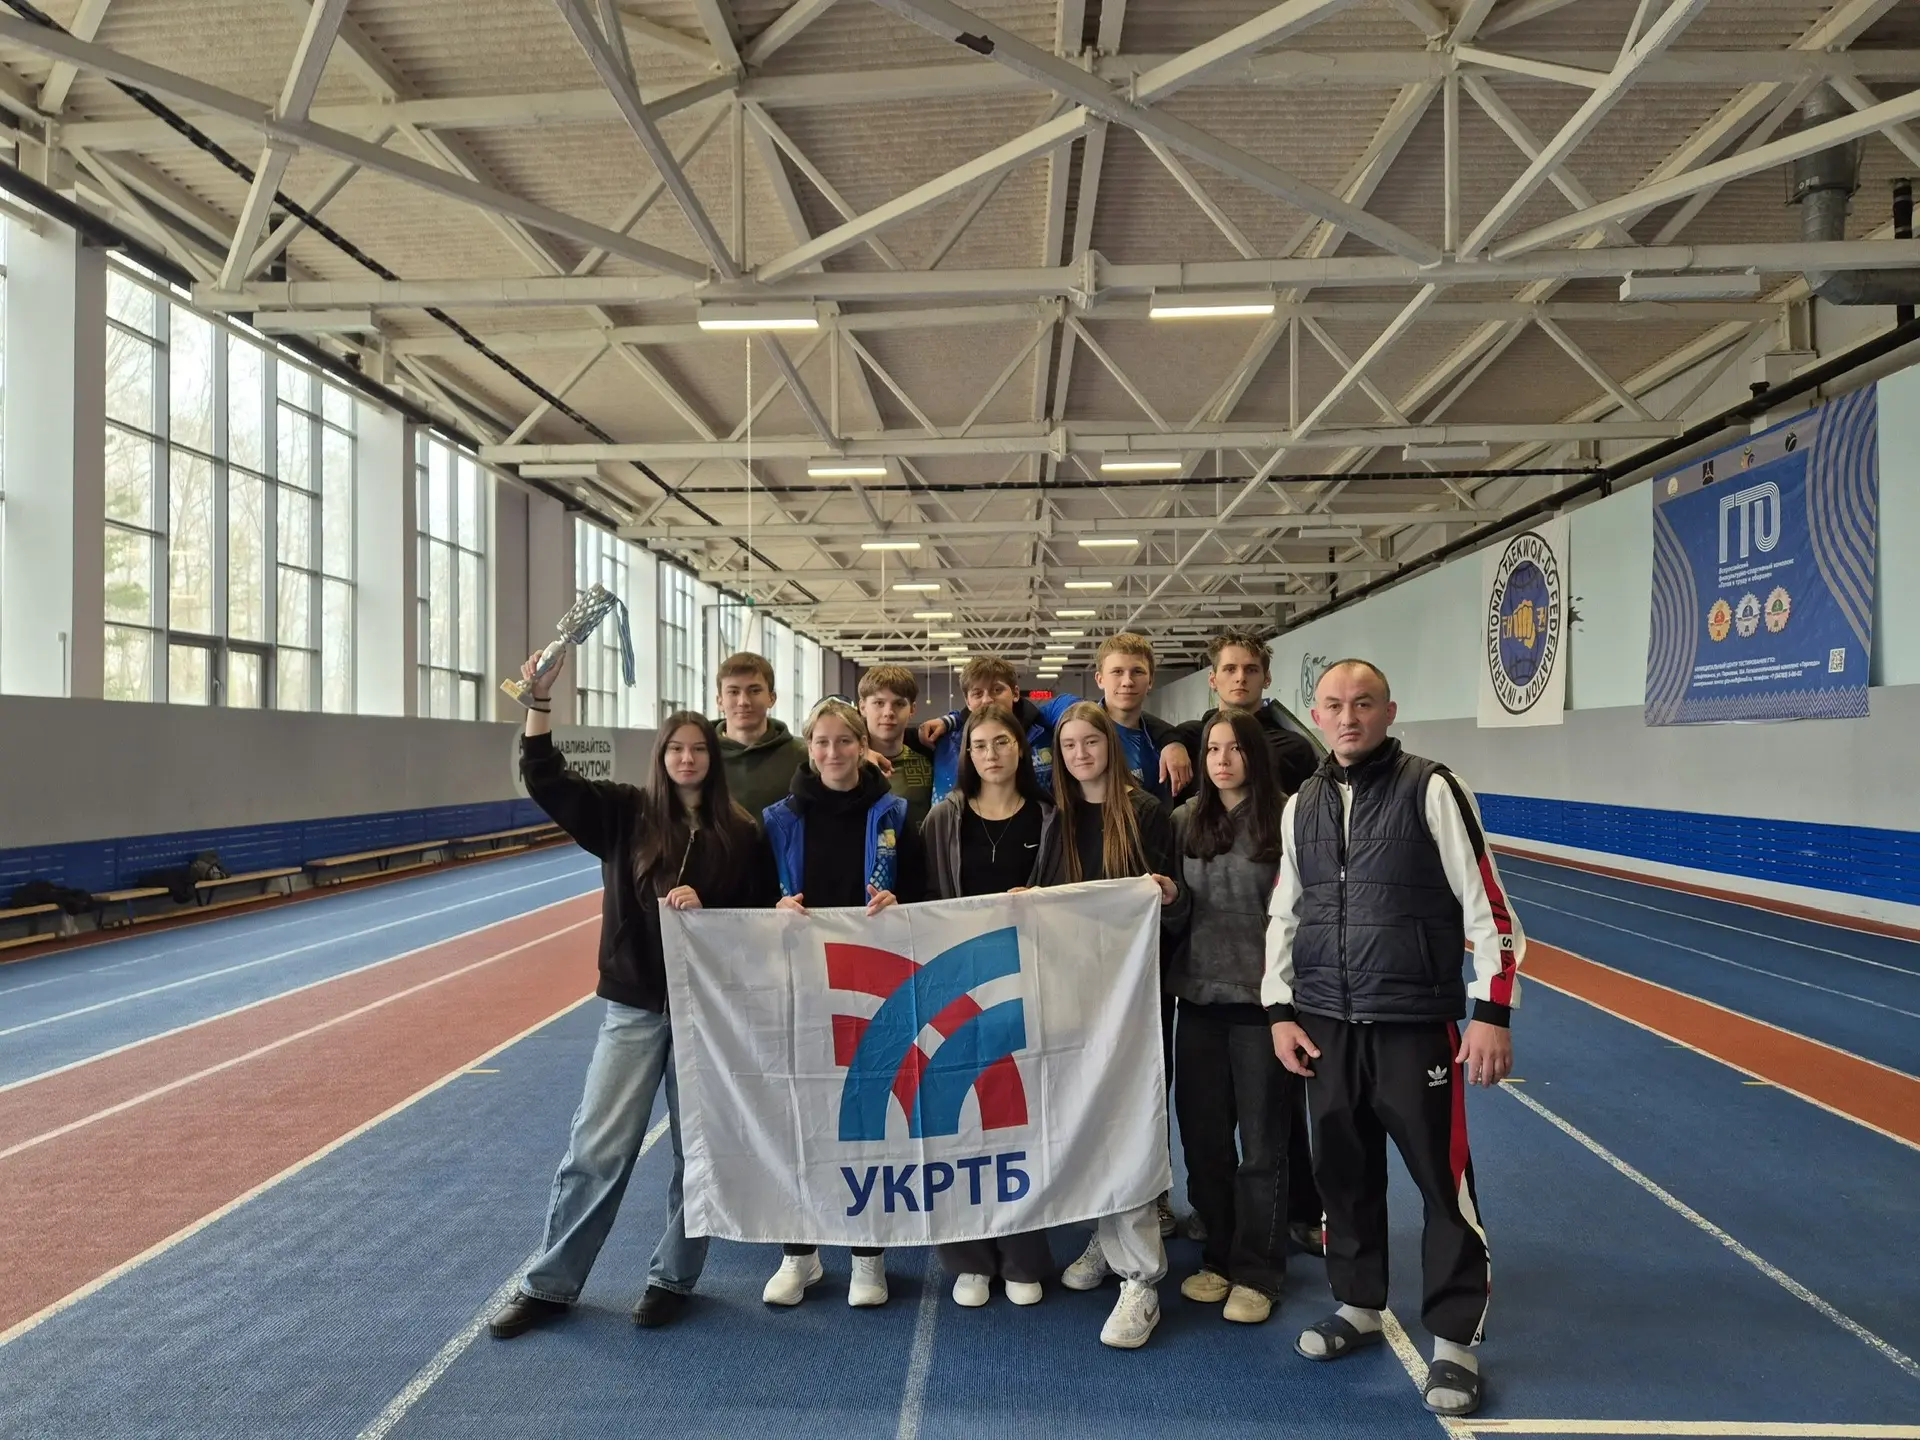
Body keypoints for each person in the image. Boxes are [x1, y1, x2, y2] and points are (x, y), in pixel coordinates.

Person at [1264, 659, 1523, 1419]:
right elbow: (1286, 911)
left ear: (1389, 710)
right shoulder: (1301, 804)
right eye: (1334, 705)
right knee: (1342, 1173)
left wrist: (1492, 1013)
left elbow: (1488, 908)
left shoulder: (1432, 788)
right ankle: (1357, 1304)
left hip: (1414, 1025)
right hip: (1326, 1025)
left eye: (1364, 703)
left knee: (1444, 1185)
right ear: (1316, 714)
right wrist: (1279, 1008)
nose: (1348, 718)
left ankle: (1455, 1341)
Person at [489, 653, 775, 1339]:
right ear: (661, 757)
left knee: (698, 1153)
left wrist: (709, 909)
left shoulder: (742, 832)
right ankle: (550, 1284)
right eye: (675, 749)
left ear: (713, 758)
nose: (686, 759)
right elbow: (546, 778)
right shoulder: (623, 813)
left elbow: (759, 920)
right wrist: (539, 704)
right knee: (598, 1147)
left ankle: (674, 1277)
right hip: (635, 1006)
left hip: (707, 1015)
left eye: (697, 750)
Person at [760, 699, 927, 1309]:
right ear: (809, 748)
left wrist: (900, 902)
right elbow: (751, 896)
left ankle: (867, 1254)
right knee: (800, 1117)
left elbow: (927, 894)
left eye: (844, 741)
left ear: (863, 746)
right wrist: (772, 907)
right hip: (800, 984)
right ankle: (799, 1254)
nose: (833, 753)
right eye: (822, 742)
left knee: (865, 1119)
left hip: (869, 984)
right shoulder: (777, 819)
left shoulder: (895, 814)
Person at [1168, 708, 1314, 1326]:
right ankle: (1219, 1258)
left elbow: (1306, 913)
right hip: (1199, 1004)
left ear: (1255, 753)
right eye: (1212, 750)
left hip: (1264, 1010)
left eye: (1234, 748)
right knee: (1204, 1144)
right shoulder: (1183, 821)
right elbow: (1176, 918)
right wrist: (1168, 901)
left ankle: (1259, 1271)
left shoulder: (1288, 818)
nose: (1222, 760)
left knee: (1261, 1148)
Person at [1047, 702, 1185, 1350]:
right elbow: (1043, 902)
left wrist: (1168, 895)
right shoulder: (1059, 819)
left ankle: (1140, 1277)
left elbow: (1176, 904)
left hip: (1134, 997)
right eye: (1069, 744)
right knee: (1091, 1120)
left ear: (1110, 745)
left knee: (1130, 1121)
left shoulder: (1147, 813)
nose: (1081, 753)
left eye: (1090, 741)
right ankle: (1108, 1237)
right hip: (1075, 998)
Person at [918, 705, 1063, 1308]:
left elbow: (1067, 898)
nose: (991, 754)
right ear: (966, 755)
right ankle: (970, 1258)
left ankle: (1024, 1254)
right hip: (957, 986)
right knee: (960, 1121)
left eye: (1002, 742)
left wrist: (1041, 902)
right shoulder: (943, 818)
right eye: (979, 745)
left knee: (1019, 1121)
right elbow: (923, 900)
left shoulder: (1049, 817)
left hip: (1025, 984)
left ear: (1021, 749)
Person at [918, 657, 1190, 804]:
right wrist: (951, 720)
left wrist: (1170, 739)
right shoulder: (946, 741)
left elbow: (1102, 716)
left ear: (1015, 693)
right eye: (978, 694)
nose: (988, 700)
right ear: (967, 701)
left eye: (997, 690)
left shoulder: (1046, 723)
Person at [1176, 632, 1319, 798]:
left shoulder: (1294, 748)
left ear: (1267, 678)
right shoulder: (1186, 739)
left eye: (1251, 670)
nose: (1241, 678)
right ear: (1212, 680)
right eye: (1230, 669)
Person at [1091, 632, 1195, 805]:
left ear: (1151, 680)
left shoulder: (1161, 741)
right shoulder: (1080, 734)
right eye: (1117, 672)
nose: (1127, 682)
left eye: (1137, 672)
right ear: (1100, 679)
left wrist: (1175, 742)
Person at [716, 651, 810, 819]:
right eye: (733, 692)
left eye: (754, 691)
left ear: (771, 698)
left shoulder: (803, 757)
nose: (743, 702)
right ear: (720, 701)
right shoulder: (701, 756)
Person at [858, 664, 936, 834]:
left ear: (912, 709)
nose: (888, 712)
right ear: (862, 707)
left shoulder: (928, 767)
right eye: (879, 703)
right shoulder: (846, 765)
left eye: (899, 704)